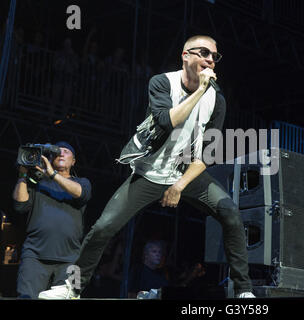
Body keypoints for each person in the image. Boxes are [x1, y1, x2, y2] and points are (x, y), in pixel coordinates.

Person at [38, 35, 255, 299]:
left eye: (214, 56)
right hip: (149, 173)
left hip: (185, 173)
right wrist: (199, 91)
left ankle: (244, 292)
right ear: (185, 55)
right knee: (104, 227)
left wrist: (179, 185)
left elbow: (207, 154)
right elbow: (166, 121)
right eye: (204, 53)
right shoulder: (163, 82)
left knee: (230, 212)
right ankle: (72, 289)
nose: (210, 59)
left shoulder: (217, 99)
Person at [12, 141, 92, 299]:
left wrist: (52, 174)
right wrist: (23, 175)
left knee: (73, 297)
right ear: (50, 158)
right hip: (34, 255)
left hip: (73, 259)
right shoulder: (38, 182)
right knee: (26, 297)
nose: (61, 154)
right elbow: (19, 205)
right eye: (57, 152)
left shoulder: (82, 182)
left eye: (66, 152)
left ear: (73, 161)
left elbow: (82, 194)